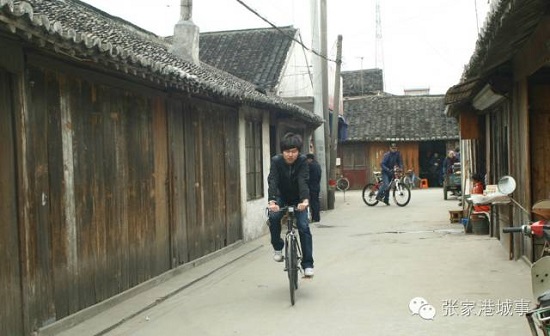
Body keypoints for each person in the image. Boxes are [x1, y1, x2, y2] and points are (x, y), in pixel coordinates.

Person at [267, 133, 314, 277]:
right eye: (287, 151)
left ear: (298, 151)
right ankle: (278, 247)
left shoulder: (303, 161)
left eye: (294, 151)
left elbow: (303, 180)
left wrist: (305, 200)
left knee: (304, 227)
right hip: (281, 196)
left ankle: (307, 264)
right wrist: (272, 200)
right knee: (274, 217)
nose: (290, 155)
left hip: (298, 198)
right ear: (282, 151)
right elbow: (273, 180)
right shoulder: (276, 161)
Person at [306, 153, 322, 223]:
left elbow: (308, 177)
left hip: (312, 186)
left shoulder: (311, 165)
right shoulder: (317, 165)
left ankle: (315, 218)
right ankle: (316, 217)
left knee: (313, 202)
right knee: (316, 201)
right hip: (317, 185)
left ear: (310, 159)